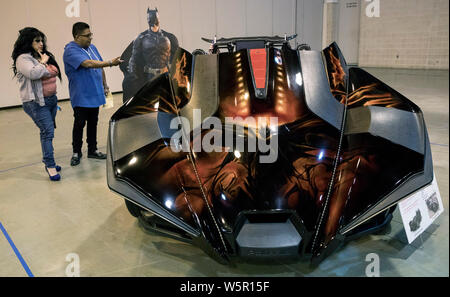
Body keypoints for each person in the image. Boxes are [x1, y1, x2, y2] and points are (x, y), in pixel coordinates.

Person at [63, 22, 122, 166]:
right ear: (77, 36)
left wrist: (105, 84)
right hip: (81, 95)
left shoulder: (92, 48)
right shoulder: (70, 50)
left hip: (95, 93)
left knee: (93, 122)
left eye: (91, 35)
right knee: (79, 123)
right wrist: (110, 62)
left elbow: (99, 65)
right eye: (87, 35)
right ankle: (76, 152)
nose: (90, 38)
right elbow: (88, 64)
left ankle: (92, 150)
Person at [12, 27, 62, 181]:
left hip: (51, 100)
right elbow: (33, 74)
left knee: (47, 132)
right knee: (48, 132)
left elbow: (54, 71)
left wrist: (44, 65)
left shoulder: (41, 56)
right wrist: (43, 64)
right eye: (37, 41)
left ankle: (49, 160)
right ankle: (50, 165)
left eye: (42, 40)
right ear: (28, 42)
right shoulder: (23, 59)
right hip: (36, 103)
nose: (41, 44)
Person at [121, 7, 179, 103]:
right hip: (148, 76)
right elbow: (133, 59)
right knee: (150, 102)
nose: (153, 19)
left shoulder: (169, 37)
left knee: (167, 103)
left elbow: (177, 59)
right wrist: (133, 77)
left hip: (165, 76)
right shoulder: (141, 38)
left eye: (155, 17)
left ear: (159, 18)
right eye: (150, 17)